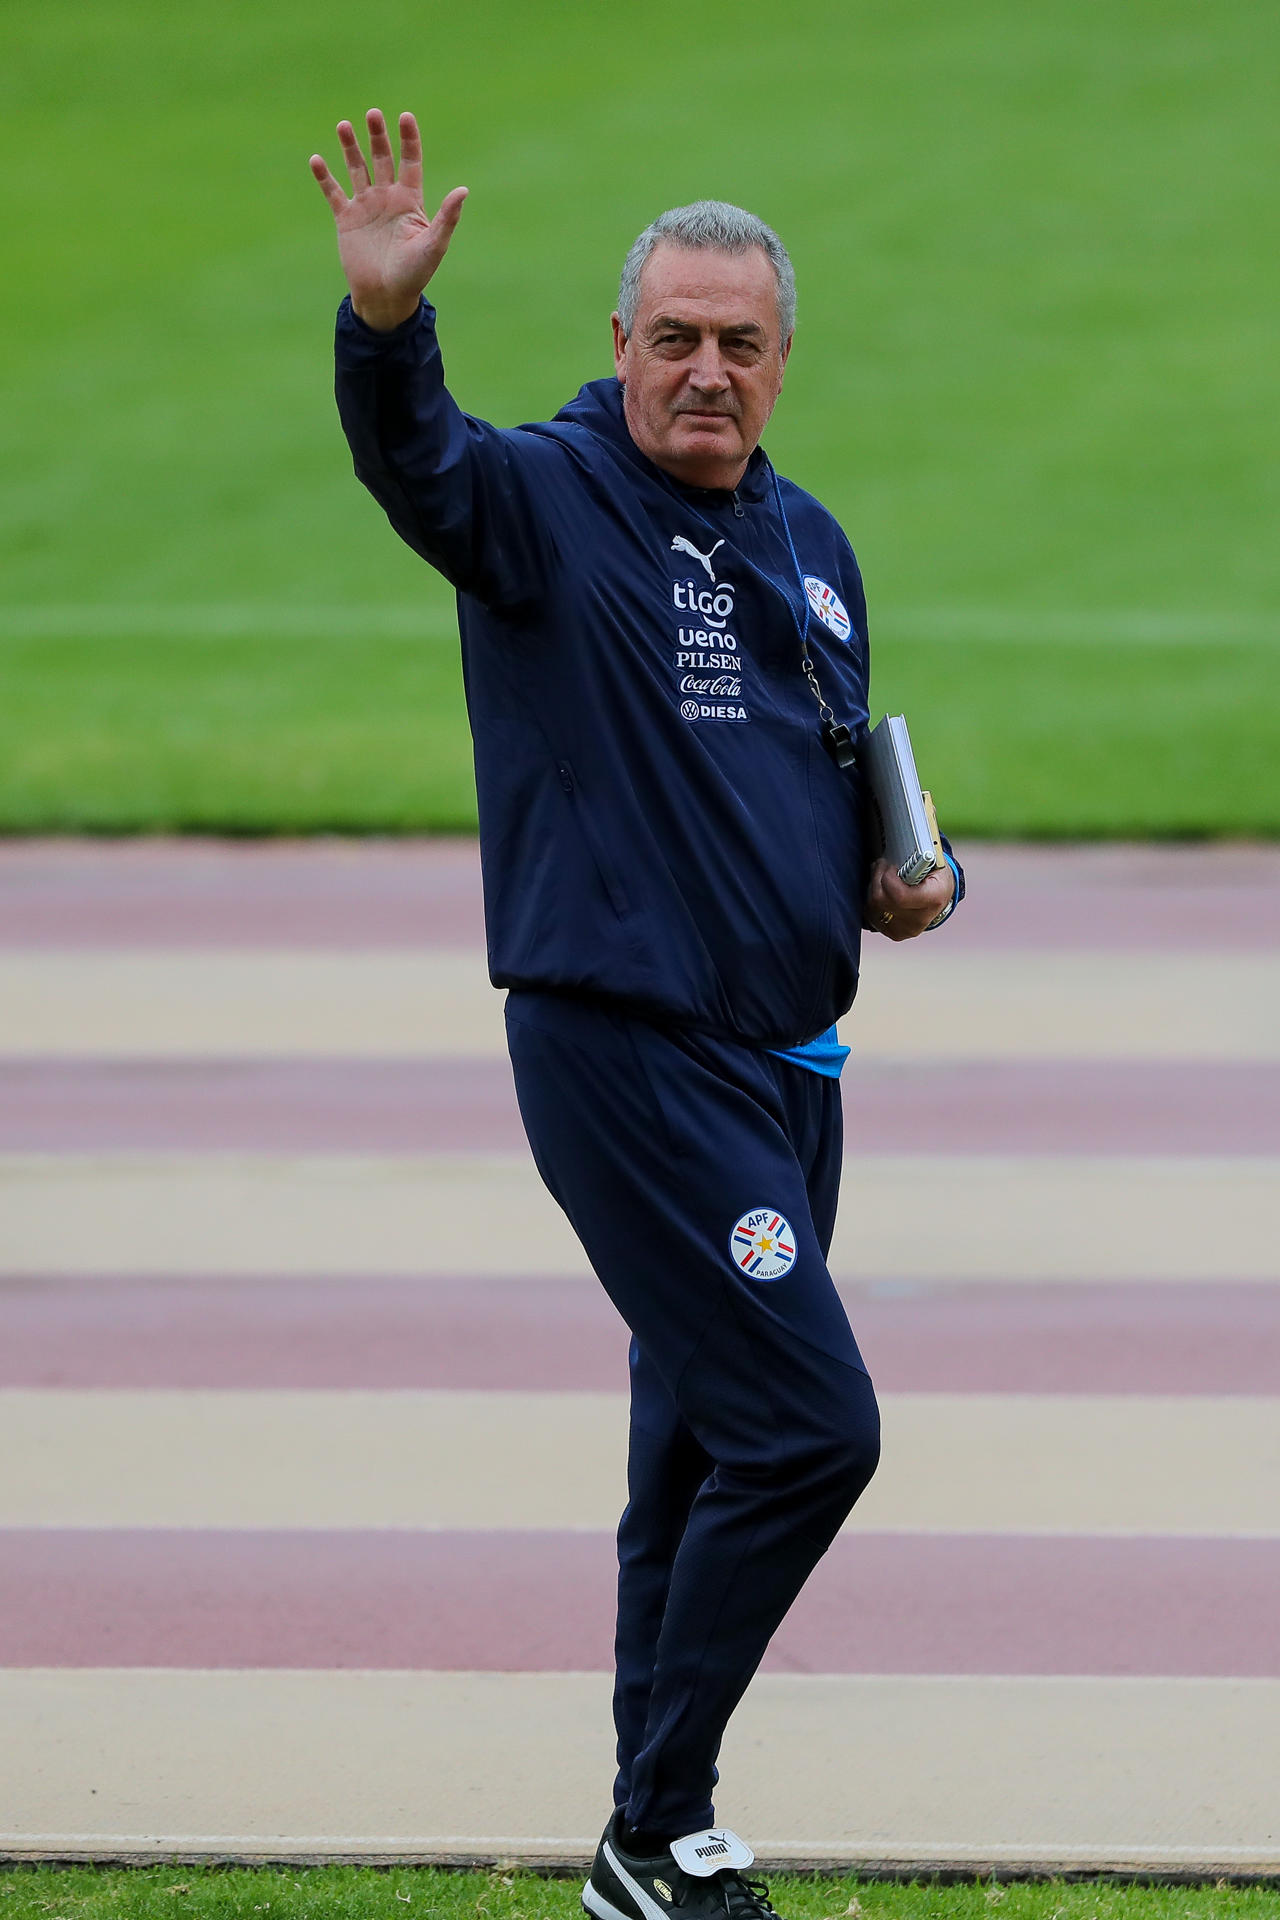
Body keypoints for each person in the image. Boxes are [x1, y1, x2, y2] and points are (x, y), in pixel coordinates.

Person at [311, 109, 963, 1920]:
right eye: (670, 335)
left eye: (737, 343)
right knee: (812, 1429)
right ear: (619, 346)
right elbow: (418, 466)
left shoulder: (814, 545)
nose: (702, 368)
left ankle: (648, 1845)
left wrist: (916, 880)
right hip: (630, 1050)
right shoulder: (545, 501)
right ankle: (654, 1820)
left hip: (787, 1071)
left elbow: (824, 796)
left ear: (779, 362)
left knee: (692, 1455)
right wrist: (386, 331)